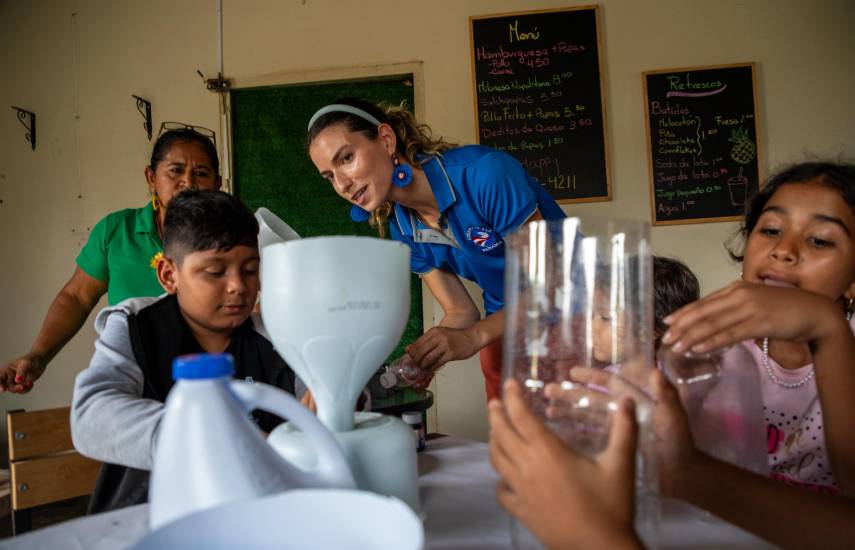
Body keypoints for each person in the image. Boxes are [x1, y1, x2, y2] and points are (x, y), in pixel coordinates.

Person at [306, 98, 566, 400]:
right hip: (504, 329)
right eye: (329, 177)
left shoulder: (485, 175)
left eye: (347, 158)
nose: (342, 185)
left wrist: (473, 337)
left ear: (387, 140)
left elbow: (552, 287)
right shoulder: (402, 228)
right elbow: (460, 311)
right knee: (512, 441)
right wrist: (423, 359)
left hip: (578, 318)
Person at [71, 189, 296, 513]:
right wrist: (209, 437)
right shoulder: (137, 327)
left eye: (249, 270)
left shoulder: (272, 337)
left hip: (251, 514)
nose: (238, 286)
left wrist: (333, 396)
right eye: (216, 271)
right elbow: (90, 417)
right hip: (146, 518)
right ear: (168, 275)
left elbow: (317, 399)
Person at [664, 161, 855, 494]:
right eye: (770, 230)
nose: (783, 250)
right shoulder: (719, 351)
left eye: (820, 240)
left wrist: (828, 327)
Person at [1, 125, 222, 394]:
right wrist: (38, 356)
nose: (188, 182)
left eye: (201, 173)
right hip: (131, 384)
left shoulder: (231, 240)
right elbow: (76, 298)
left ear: (217, 184)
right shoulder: (116, 230)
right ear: (151, 177)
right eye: (175, 170)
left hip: (208, 383)